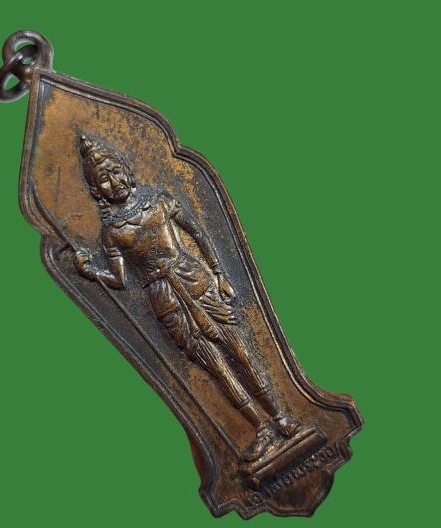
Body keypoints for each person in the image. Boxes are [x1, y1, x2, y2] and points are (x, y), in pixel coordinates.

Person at [75, 135, 301, 461]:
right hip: (165, 299)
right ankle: (261, 428)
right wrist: (91, 271)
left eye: (115, 171)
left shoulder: (158, 200)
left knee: (240, 350)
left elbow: (196, 232)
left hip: (194, 278)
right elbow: (119, 280)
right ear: (97, 190)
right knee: (216, 368)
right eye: (104, 180)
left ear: (126, 168)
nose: (114, 182)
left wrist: (220, 274)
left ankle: (282, 416)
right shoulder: (112, 232)